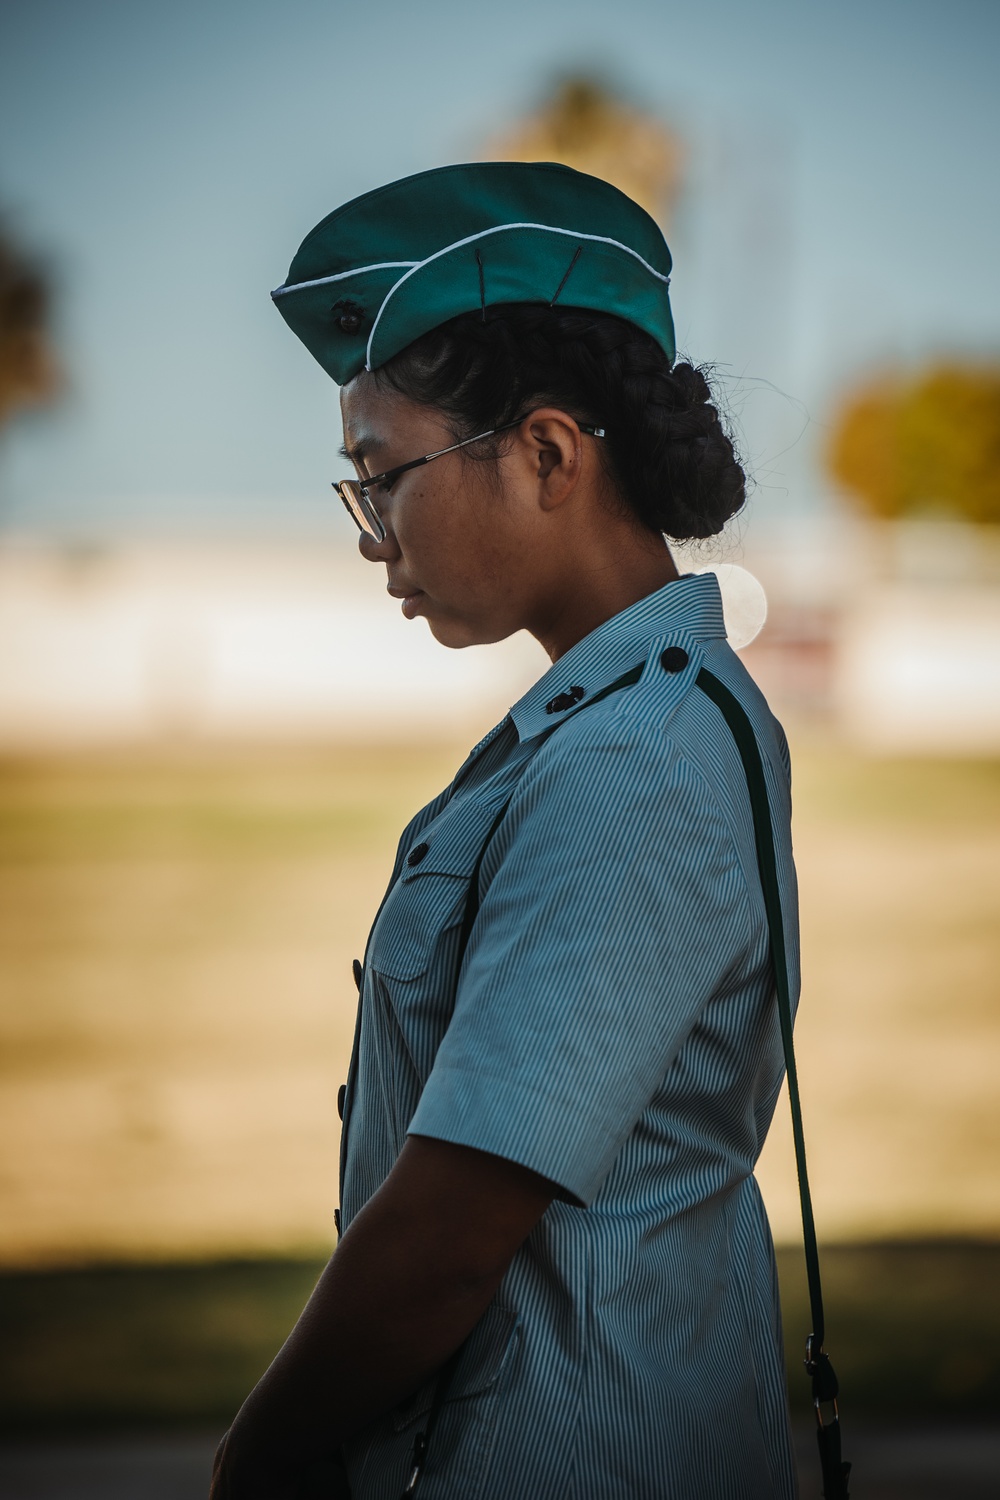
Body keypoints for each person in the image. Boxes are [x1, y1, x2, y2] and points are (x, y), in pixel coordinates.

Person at [211, 161, 800, 1500]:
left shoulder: (632, 760)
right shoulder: (621, 716)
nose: (374, 536)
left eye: (381, 475)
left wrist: (255, 1459)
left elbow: (447, 1239)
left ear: (545, 452)